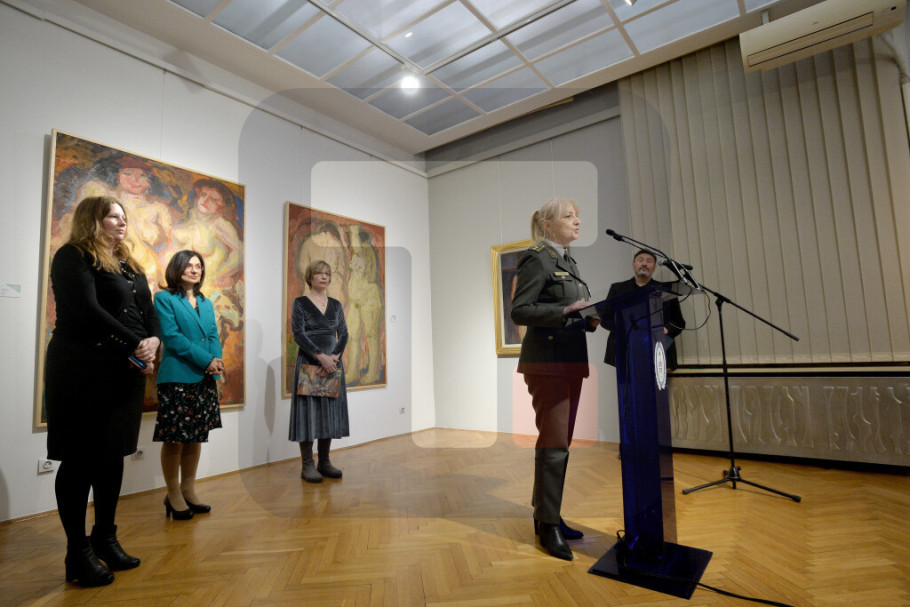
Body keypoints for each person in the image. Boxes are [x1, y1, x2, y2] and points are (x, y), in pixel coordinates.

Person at [44, 196, 160, 586]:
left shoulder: (129, 265)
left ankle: (105, 539)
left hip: (124, 369)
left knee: (113, 456)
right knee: (79, 459)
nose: (122, 222)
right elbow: (88, 311)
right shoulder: (72, 256)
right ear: (93, 219)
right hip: (81, 368)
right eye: (113, 216)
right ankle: (77, 553)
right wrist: (136, 344)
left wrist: (153, 341)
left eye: (124, 216)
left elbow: (148, 312)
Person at [510, 198, 598, 561]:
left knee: (558, 443)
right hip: (547, 364)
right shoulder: (537, 258)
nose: (577, 222)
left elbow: (569, 311)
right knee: (555, 444)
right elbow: (520, 310)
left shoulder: (568, 261)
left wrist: (587, 316)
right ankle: (548, 525)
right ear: (548, 225)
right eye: (569, 216)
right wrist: (564, 311)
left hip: (569, 362)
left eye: (577, 216)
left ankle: (548, 515)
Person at [152, 250, 225, 521]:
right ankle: (173, 494)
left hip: (204, 378)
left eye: (199, 266)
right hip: (176, 378)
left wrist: (216, 364)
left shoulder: (205, 302)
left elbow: (213, 335)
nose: (195, 270)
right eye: (189, 266)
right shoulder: (164, 298)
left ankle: (188, 490)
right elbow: (172, 337)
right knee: (175, 439)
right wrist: (207, 361)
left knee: (195, 437)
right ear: (177, 268)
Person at [290, 260, 350, 483]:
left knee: (328, 412)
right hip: (310, 362)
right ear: (310, 277)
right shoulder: (300, 303)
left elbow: (343, 333)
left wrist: (334, 357)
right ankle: (307, 464)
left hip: (332, 365)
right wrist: (321, 357)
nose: (324, 277)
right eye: (319, 273)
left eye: (327, 273)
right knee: (308, 412)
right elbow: (299, 334)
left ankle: (324, 461)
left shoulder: (335, 304)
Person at [602, 249, 685, 371]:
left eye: (649, 261)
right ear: (633, 265)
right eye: (640, 260)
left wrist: (665, 329)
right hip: (626, 349)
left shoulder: (666, 290)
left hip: (658, 349)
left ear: (654, 267)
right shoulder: (618, 289)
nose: (644, 264)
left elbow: (679, 322)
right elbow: (605, 319)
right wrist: (626, 328)